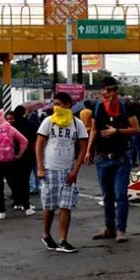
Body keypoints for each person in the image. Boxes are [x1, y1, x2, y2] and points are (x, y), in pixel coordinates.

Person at [85, 76, 140, 243]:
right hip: (102, 158)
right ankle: (109, 228)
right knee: (107, 196)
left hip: (120, 159)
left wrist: (117, 131)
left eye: (110, 90)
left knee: (120, 195)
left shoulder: (125, 107)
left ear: (116, 91)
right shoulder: (98, 107)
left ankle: (121, 229)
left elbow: (135, 128)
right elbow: (94, 130)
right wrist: (89, 151)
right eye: (104, 90)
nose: (107, 94)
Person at [36, 93, 88, 253]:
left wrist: (75, 170)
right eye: (54, 104)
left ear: (68, 105)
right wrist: (40, 167)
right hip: (50, 169)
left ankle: (63, 240)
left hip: (67, 171)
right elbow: (39, 144)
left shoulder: (76, 123)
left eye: (59, 104)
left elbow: (83, 146)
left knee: (66, 205)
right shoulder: (49, 121)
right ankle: (46, 234)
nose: (56, 107)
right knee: (50, 205)